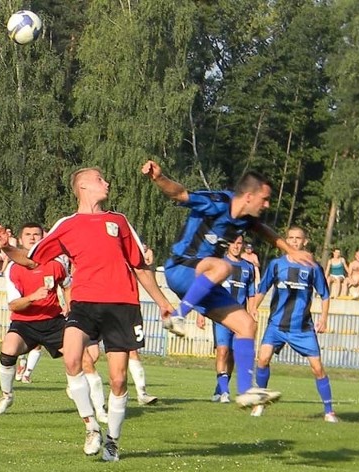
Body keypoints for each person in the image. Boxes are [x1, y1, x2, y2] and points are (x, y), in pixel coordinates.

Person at [0, 167, 175, 462]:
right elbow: (31, 260)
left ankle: (112, 441)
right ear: (84, 187)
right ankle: (91, 426)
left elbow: (139, 266)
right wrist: (7, 247)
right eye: (101, 179)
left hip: (122, 306)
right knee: (73, 357)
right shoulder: (68, 225)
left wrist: (163, 301)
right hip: (84, 304)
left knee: (117, 380)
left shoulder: (119, 221)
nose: (107, 182)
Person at [142, 159, 313, 408]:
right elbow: (179, 193)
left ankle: (246, 391)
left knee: (247, 325)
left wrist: (290, 251)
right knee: (223, 266)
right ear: (247, 196)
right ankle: (178, 315)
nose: (267, 205)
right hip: (180, 268)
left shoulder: (246, 220)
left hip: (204, 280)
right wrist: (158, 178)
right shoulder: (217, 202)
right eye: (264, 199)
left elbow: (266, 231)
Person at [0, 222, 108, 423]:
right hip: (24, 323)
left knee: (86, 360)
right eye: (28, 234)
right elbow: (13, 305)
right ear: (20, 240)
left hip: (54, 322)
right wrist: (32, 297)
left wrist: (70, 308)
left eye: (36, 234)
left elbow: (67, 286)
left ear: (43, 238)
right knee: (8, 350)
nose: (32, 238)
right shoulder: (12, 268)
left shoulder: (55, 264)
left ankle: (100, 410)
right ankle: (7, 396)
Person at [252, 226, 337, 423]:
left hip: (302, 328)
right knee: (262, 359)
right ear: (285, 240)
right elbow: (262, 288)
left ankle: (329, 411)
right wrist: (253, 308)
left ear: (305, 241)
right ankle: (260, 403)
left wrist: (324, 318)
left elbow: (324, 295)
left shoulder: (313, 267)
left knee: (317, 368)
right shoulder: (276, 264)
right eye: (290, 238)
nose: (294, 241)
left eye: (298, 238)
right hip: (276, 326)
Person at [203, 235, 256, 403]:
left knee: (232, 355)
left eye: (239, 243)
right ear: (228, 245)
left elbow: (252, 293)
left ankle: (220, 388)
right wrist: (201, 314)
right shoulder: (219, 264)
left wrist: (253, 311)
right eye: (233, 242)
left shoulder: (248, 267)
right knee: (222, 351)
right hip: (221, 317)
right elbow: (206, 289)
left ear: (243, 245)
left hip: (239, 319)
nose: (236, 246)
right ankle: (225, 392)